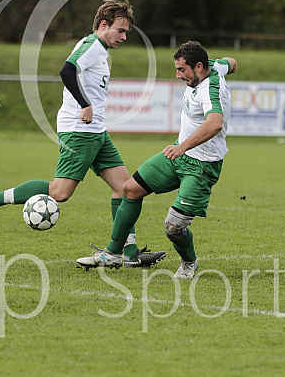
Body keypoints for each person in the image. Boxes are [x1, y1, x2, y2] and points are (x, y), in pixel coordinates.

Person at [0, 0, 166, 268]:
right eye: (120, 30)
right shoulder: (91, 46)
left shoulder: (100, 51)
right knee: (60, 192)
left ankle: (128, 254)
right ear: (103, 25)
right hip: (78, 130)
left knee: (127, 190)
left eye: (126, 32)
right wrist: (85, 104)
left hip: (97, 132)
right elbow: (67, 69)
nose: (124, 36)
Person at [76, 41, 236, 278]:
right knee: (130, 189)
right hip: (178, 157)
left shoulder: (210, 89)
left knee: (174, 227)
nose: (178, 75)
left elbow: (215, 123)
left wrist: (182, 147)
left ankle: (189, 262)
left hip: (201, 166)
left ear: (199, 66)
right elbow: (231, 62)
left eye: (182, 70)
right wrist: (229, 66)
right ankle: (113, 253)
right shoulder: (214, 67)